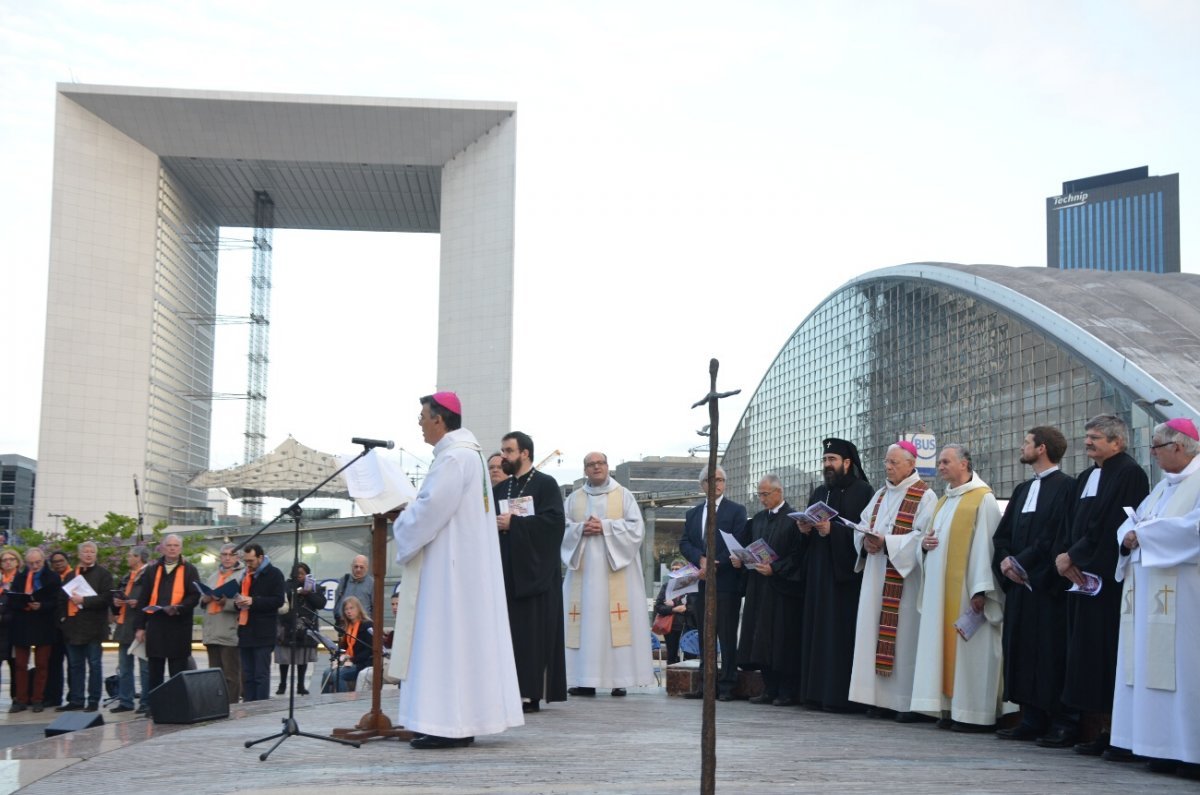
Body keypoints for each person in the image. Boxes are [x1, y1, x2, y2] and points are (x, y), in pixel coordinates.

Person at [390, 391, 522, 749]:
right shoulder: (472, 456)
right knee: (462, 645)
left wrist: (400, 521)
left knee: (444, 643)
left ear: (439, 419)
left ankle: (444, 724)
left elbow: (432, 509)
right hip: (463, 566)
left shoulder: (453, 458)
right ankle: (460, 723)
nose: (419, 424)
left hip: (447, 571)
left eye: (422, 417)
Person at [1050, 414, 1149, 756]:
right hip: (1080, 579)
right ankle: (1093, 726)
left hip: (1105, 581)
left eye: (1095, 437)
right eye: (1087, 435)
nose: (1087, 441)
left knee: (1105, 656)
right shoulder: (1088, 476)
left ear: (1117, 442)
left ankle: (1114, 731)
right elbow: (1070, 522)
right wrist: (1063, 556)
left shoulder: (1130, 473)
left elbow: (1112, 524)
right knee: (1084, 658)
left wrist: (1074, 557)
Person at [1110, 418, 1200, 776]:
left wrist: (1143, 535)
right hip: (1151, 595)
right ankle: (1160, 746)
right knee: (1152, 667)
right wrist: (1132, 534)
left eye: (1158, 447)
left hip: (1187, 597)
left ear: (1179, 447)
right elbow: (1134, 520)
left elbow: (1194, 529)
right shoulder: (1165, 487)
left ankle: (1190, 751)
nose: (1153, 454)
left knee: (1183, 668)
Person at [909, 444, 1008, 731]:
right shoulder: (943, 501)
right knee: (947, 651)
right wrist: (923, 547)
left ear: (964, 464)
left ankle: (975, 714)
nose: (940, 466)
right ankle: (950, 708)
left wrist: (981, 590)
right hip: (941, 594)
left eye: (945, 461)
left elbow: (987, 547)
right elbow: (926, 539)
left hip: (969, 592)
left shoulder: (982, 499)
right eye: (939, 462)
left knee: (972, 653)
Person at [992, 427, 1075, 742]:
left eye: (1026, 442)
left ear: (1041, 448)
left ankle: (1057, 719)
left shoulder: (1067, 487)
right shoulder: (1022, 489)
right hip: (1018, 585)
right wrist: (1005, 562)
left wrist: (1022, 563)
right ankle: (1030, 716)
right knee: (1021, 649)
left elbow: (1054, 535)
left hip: (1044, 586)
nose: (1021, 446)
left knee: (1049, 651)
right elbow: (1002, 535)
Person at [847, 442, 938, 721]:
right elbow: (862, 524)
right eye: (887, 461)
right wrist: (865, 541)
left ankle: (905, 702)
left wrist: (887, 543)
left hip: (903, 580)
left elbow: (925, 537)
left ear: (912, 464)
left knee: (904, 639)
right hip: (876, 574)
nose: (888, 467)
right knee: (873, 634)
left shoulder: (925, 496)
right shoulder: (880, 494)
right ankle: (878, 699)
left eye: (894, 462)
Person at [561, 452, 655, 700]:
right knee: (585, 625)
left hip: (616, 573)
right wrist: (581, 528)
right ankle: (584, 680)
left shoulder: (623, 495)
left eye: (600, 463)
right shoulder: (574, 499)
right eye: (591, 465)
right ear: (585, 470)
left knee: (616, 625)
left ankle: (618, 681)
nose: (596, 468)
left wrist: (604, 526)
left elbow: (637, 528)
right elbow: (562, 527)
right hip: (583, 574)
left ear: (607, 467)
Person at [794, 438, 875, 712]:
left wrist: (834, 532)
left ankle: (840, 697)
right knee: (816, 632)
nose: (827, 465)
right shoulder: (819, 492)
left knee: (839, 635)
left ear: (847, 463)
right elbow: (805, 536)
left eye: (832, 460)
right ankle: (814, 694)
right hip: (818, 575)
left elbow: (865, 533)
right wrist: (804, 531)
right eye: (825, 460)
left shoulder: (864, 492)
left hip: (844, 580)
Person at [495, 430, 567, 713]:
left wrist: (516, 524)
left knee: (533, 634)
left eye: (509, 451)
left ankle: (530, 693)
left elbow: (553, 525)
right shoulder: (502, 488)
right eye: (502, 451)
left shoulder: (546, 484)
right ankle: (506, 690)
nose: (504, 456)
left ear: (525, 453)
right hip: (508, 573)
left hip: (536, 576)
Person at [679, 464, 749, 701]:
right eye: (712, 480)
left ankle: (728, 685)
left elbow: (739, 541)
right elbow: (685, 542)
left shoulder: (736, 511)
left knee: (727, 636)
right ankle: (705, 684)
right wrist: (700, 560)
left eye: (720, 479)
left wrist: (714, 564)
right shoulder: (693, 514)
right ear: (703, 485)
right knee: (704, 637)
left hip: (726, 583)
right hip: (700, 585)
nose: (717, 483)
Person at [736, 474, 800, 706]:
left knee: (781, 640)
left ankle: (786, 690)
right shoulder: (758, 520)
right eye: (759, 494)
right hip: (758, 588)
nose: (761, 499)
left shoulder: (794, 520)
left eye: (765, 494)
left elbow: (798, 556)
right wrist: (741, 558)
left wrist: (775, 568)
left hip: (781, 590)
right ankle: (768, 688)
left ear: (778, 492)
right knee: (760, 639)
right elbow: (746, 546)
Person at [133, 534, 200, 695]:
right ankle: (155, 707)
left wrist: (179, 607)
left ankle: (177, 706)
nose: (172, 548)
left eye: (176, 545)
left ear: (181, 548)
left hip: (179, 627)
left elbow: (194, 595)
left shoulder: (190, 569)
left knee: (178, 671)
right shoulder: (152, 569)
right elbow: (144, 598)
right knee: (155, 670)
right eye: (169, 545)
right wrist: (140, 627)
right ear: (162, 548)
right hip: (156, 626)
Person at [57, 541, 114, 712]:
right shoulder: (70, 575)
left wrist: (84, 601)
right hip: (73, 628)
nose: (88, 554)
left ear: (96, 555)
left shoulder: (103, 574)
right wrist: (62, 620)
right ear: (79, 555)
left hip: (94, 628)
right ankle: (76, 699)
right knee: (75, 665)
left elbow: (106, 599)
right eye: (85, 552)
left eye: (92, 552)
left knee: (94, 665)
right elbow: (61, 599)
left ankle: (93, 699)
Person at [8, 548, 62, 713]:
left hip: (43, 625)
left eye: (37, 562)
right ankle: (21, 699)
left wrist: (42, 605)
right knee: (20, 665)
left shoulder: (52, 577)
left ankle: (38, 698)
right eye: (31, 563)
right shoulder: (21, 576)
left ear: (43, 560)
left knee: (42, 664)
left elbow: (56, 601)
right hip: (23, 625)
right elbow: (13, 599)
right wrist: (25, 603)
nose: (35, 566)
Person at [235, 543, 285, 702]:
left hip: (263, 632)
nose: (248, 564)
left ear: (260, 557)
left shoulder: (274, 574)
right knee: (247, 674)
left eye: (251, 561)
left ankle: (260, 708)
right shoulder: (245, 575)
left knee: (260, 674)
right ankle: (249, 705)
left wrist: (253, 601)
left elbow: (278, 601)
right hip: (245, 630)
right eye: (246, 561)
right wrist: (239, 603)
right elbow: (240, 597)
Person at [199, 543, 242, 705]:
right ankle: (217, 706)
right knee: (214, 674)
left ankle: (231, 706)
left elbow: (243, 603)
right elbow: (203, 598)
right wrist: (204, 599)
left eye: (231, 555)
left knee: (231, 675)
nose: (227, 558)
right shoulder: (213, 575)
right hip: (212, 631)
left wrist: (226, 602)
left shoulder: (242, 576)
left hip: (229, 631)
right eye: (224, 554)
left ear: (237, 557)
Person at [111, 545, 151, 713]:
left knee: (144, 667)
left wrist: (139, 602)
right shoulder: (127, 576)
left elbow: (152, 598)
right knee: (124, 666)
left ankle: (146, 702)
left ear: (139, 558)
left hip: (140, 625)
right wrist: (116, 602)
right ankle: (125, 701)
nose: (127, 559)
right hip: (124, 625)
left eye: (130, 556)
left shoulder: (149, 574)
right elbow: (119, 594)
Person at [276, 561, 325, 695]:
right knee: (285, 658)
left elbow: (321, 603)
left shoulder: (314, 587)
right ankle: (282, 684)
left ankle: (301, 685)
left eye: (302, 574)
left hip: (306, 626)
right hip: (287, 626)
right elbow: (281, 602)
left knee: (302, 658)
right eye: (297, 573)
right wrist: (295, 592)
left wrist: (308, 593)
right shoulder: (286, 585)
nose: (299, 576)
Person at [320, 595, 373, 692]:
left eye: (352, 608)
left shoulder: (367, 625)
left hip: (361, 663)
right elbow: (343, 647)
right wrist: (338, 656)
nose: (349, 611)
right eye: (346, 609)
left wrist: (351, 659)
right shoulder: (346, 627)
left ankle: (344, 701)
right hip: (347, 662)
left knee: (338, 674)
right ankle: (325, 701)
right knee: (326, 672)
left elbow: (369, 650)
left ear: (358, 608)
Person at [653, 559, 698, 665]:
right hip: (671, 626)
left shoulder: (691, 586)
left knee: (690, 657)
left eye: (677, 569)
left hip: (688, 625)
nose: (674, 571)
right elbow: (658, 607)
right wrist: (673, 609)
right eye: (672, 569)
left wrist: (683, 607)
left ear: (684, 571)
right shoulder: (666, 586)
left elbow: (695, 606)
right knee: (672, 657)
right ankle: (673, 680)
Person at [43, 550, 69, 708]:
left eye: (61, 560)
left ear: (67, 561)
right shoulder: (51, 579)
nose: (58, 564)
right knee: (53, 663)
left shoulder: (74, 576)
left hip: (71, 626)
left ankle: (75, 698)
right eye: (55, 562)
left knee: (74, 664)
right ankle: (54, 697)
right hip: (53, 627)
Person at [358, 593, 401, 691]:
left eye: (397, 604)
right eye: (392, 604)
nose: (394, 607)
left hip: (399, 669)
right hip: (395, 665)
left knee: (364, 675)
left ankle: (360, 704)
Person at [0, 547, 22, 700]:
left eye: (11, 559)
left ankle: (17, 698)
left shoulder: (21, 580)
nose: (8, 562)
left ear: (17, 562)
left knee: (16, 665)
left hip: (14, 628)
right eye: (4, 560)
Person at [333, 554, 373, 625]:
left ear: (367, 568)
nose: (358, 569)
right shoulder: (344, 580)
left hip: (363, 625)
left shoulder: (372, 583)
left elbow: (375, 608)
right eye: (356, 566)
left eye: (361, 567)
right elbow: (337, 600)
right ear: (351, 566)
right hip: (344, 624)